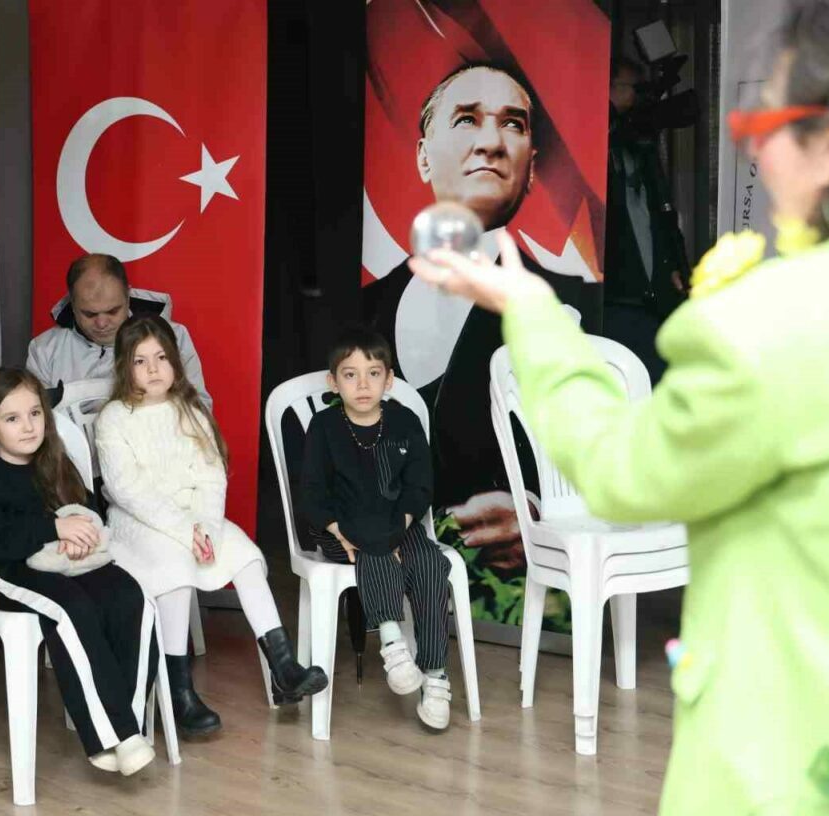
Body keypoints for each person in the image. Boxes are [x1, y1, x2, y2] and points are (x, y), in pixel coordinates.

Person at [411, 0, 829, 816]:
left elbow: (619, 469)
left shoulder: (777, 325)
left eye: (766, 124)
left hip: (800, 796)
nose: (754, 150)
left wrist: (530, 310)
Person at [363, 61, 592, 602]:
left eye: (512, 124)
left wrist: (539, 511)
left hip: (510, 597)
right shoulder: (370, 307)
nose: (491, 141)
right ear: (423, 156)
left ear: (531, 168)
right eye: (467, 119)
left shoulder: (571, 305)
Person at [95, 315, 327, 737]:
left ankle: (284, 667)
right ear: (124, 367)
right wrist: (185, 531)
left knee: (246, 556)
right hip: (137, 523)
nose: (153, 369)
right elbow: (129, 491)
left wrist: (205, 526)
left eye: (161, 357)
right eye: (140, 361)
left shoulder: (190, 411)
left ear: (175, 361)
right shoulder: (114, 418)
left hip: (195, 518)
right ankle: (179, 691)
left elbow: (211, 476)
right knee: (174, 571)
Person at [0, 367, 159, 776]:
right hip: (7, 570)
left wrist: (79, 534)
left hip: (65, 560)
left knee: (132, 597)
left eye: (35, 413)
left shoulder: (56, 460)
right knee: (70, 608)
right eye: (12, 418)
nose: (28, 426)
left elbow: (86, 508)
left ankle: (129, 726)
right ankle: (113, 733)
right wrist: (53, 528)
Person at [300, 327, 453, 730]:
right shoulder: (324, 427)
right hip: (340, 529)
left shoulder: (404, 422)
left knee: (430, 563)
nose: (363, 385)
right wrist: (339, 529)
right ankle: (391, 640)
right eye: (350, 375)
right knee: (371, 540)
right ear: (333, 382)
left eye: (373, 374)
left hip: (399, 522)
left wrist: (399, 527)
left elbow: (420, 486)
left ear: (389, 380)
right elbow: (312, 493)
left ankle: (435, 674)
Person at [26, 253, 211, 407]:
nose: (101, 323)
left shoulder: (173, 338)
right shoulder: (44, 350)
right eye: (89, 314)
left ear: (128, 297)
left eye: (112, 311)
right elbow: (35, 419)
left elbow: (199, 412)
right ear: (72, 304)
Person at [604, 55, 689, 385]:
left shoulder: (638, 144)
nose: (637, 98)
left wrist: (674, 265)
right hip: (617, 300)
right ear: (608, 88)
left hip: (654, 298)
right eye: (632, 88)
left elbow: (659, 210)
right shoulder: (596, 142)